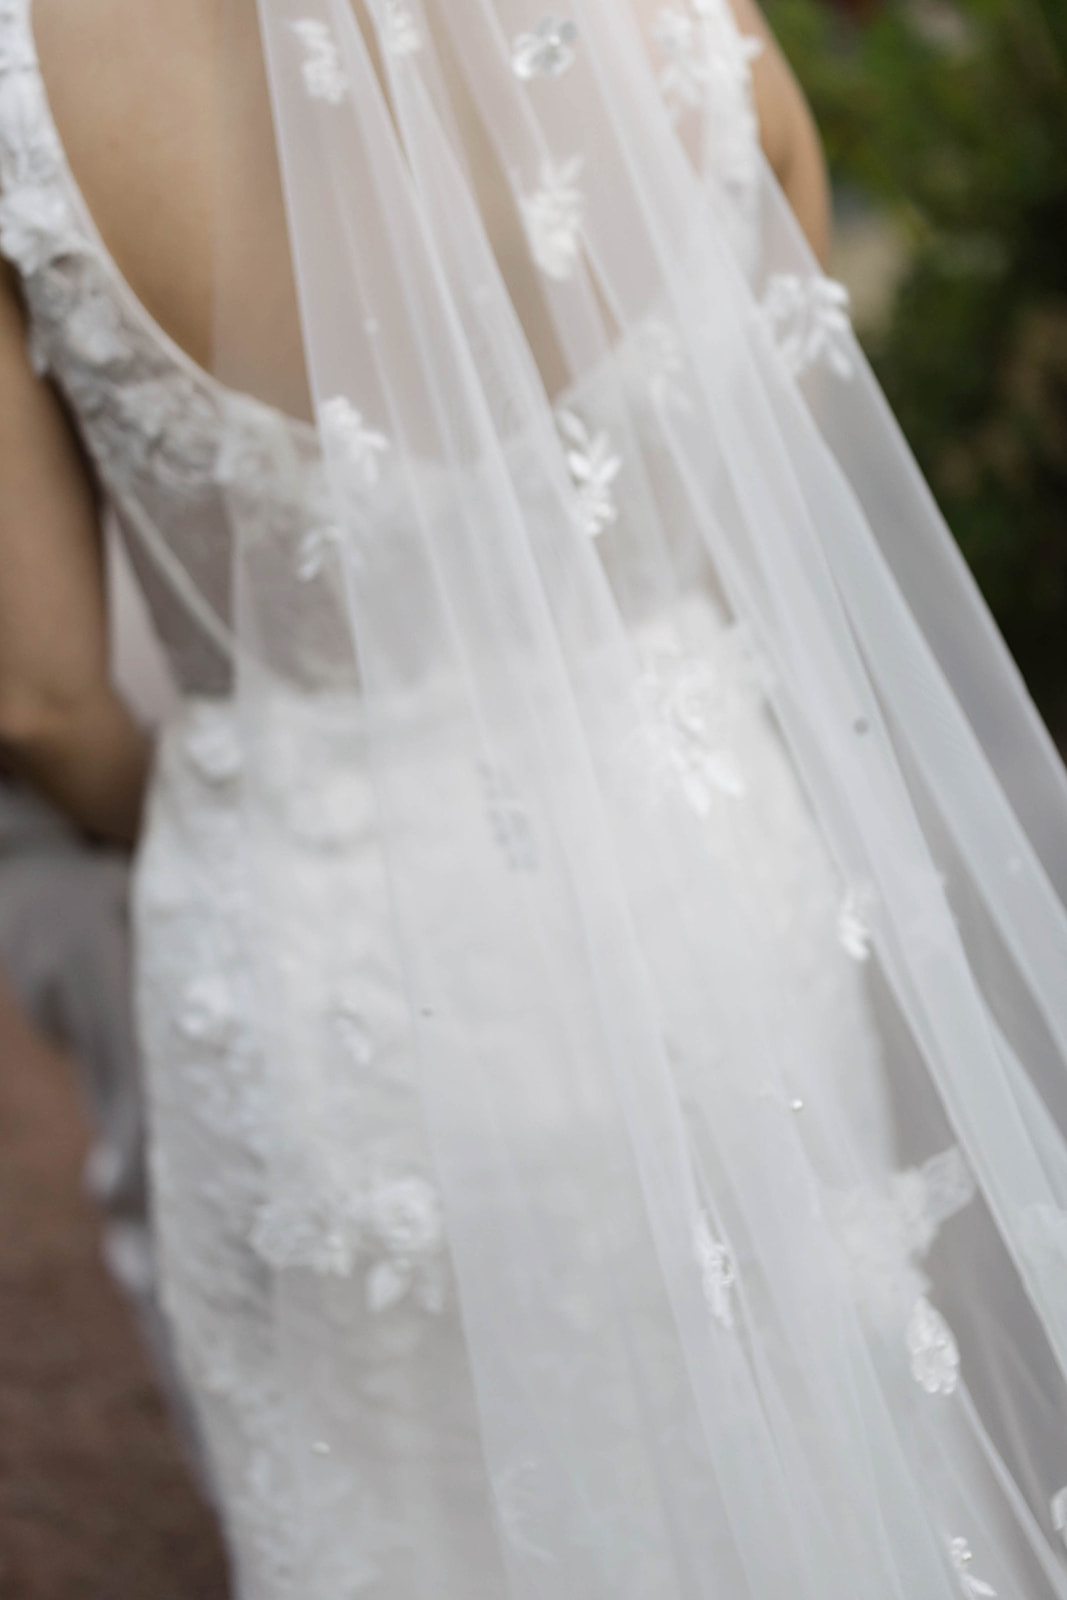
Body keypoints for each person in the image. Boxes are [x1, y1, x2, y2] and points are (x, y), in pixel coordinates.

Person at [3, 1, 1067, 1597]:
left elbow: (43, 700)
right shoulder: (697, 31)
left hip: (321, 963)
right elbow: (778, 510)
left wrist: (257, 787)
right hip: (712, 904)